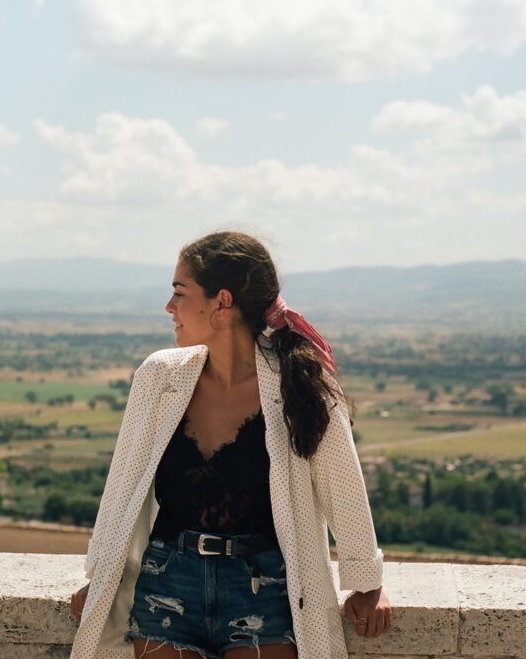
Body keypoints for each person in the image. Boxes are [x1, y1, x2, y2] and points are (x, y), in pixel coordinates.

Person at [69, 231, 392, 659]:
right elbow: (122, 487)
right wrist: (103, 578)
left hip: (266, 589)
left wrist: (367, 584)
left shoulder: (299, 382)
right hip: (167, 580)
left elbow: (342, 486)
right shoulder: (159, 377)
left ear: (222, 302)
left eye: (180, 293)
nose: (170, 308)